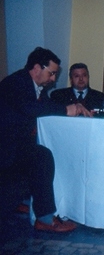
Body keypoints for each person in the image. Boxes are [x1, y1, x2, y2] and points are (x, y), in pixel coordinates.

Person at [0, 47, 91, 232]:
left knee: (40, 154)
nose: (53, 79)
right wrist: (66, 110)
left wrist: (75, 106)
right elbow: (31, 108)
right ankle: (45, 218)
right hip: (5, 146)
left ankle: (25, 203)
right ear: (36, 68)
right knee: (42, 157)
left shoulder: (33, 86)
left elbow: (47, 105)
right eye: (51, 73)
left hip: (15, 144)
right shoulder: (15, 83)